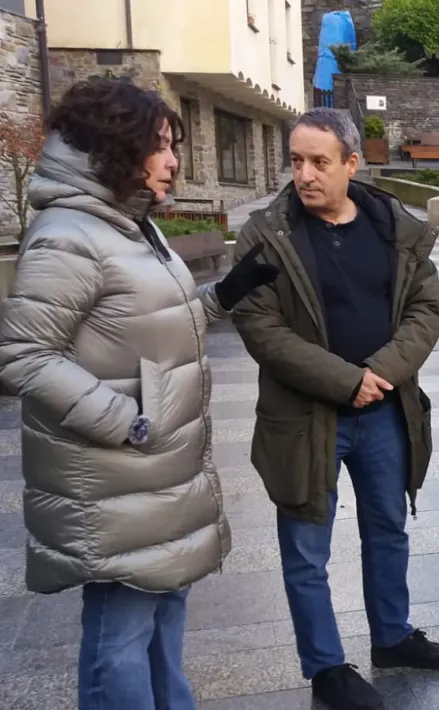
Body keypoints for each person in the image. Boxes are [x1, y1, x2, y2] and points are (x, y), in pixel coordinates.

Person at [0, 78, 279, 710]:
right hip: (115, 478)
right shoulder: (70, 235)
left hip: (158, 475)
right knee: (121, 639)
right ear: (115, 148)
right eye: (160, 145)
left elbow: (157, 326)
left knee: (162, 622)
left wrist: (228, 293)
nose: (174, 160)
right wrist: (127, 420)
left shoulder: (130, 226)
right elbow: (22, 354)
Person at [230, 107, 439, 710]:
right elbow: (260, 328)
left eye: (319, 162)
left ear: (351, 163)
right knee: (307, 548)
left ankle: (392, 636)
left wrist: (378, 374)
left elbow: (426, 310)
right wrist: (344, 381)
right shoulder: (266, 234)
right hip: (306, 419)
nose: (304, 175)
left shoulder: (392, 226)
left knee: (388, 529)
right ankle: (326, 667)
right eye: (297, 161)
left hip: (385, 409)